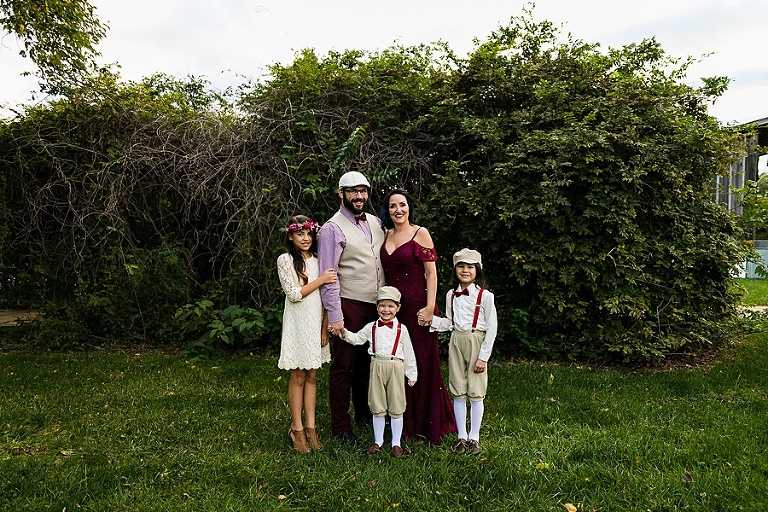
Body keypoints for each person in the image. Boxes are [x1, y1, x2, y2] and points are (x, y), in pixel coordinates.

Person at [379, 189, 457, 445]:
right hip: (393, 310)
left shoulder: (419, 233)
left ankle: (428, 424)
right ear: (387, 210)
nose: (398, 210)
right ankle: (403, 421)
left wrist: (429, 307)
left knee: (422, 366)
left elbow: (431, 274)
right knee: (398, 364)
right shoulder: (386, 234)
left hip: (419, 310)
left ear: (409, 207)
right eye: (392, 206)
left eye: (402, 205)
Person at [318, 171, 386, 445]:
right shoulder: (331, 228)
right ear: (341, 194)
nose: (359, 196)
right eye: (352, 191)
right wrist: (334, 316)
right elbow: (328, 274)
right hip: (349, 303)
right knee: (344, 366)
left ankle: (363, 413)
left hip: (377, 304)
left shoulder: (376, 222)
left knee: (367, 364)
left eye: (363, 191)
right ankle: (340, 425)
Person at [277, 215, 338, 453]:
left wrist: (324, 328)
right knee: (299, 376)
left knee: (312, 375)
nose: (305, 238)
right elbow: (293, 294)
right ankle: (297, 428)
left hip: (316, 325)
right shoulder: (285, 260)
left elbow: (328, 297)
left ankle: (311, 428)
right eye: (300, 234)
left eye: (309, 234)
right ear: (291, 236)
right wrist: (321, 279)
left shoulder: (319, 259)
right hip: (297, 324)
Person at [430, 248, 498, 456]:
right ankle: (462, 436)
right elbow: (450, 322)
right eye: (461, 266)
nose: (465, 270)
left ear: (478, 270)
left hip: (476, 339)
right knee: (458, 390)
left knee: (476, 391)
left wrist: (483, 356)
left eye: (470, 267)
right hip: (456, 341)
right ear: (455, 269)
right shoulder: (451, 295)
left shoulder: (485, 296)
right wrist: (430, 321)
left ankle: (474, 438)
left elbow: (492, 327)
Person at [341, 286, 418, 458]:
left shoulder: (401, 329)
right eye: (382, 306)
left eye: (391, 306)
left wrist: (411, 373)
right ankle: (378, 440)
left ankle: (396, 443)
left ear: (398, 308)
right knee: (377, 405)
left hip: (396, 367)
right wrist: (342, 332)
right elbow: (356, 339)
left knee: (397, 405)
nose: (386, 310)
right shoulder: (371, 327)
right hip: (376, 366)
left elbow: (409, 353)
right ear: (377, 307)